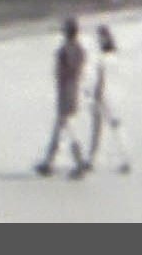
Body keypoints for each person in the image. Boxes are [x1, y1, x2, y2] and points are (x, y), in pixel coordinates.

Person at [34, 16, 88, 176]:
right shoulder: (80, 49)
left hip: (65, 91)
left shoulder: (64, 50)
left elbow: (61, 72)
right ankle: (48, 161)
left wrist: (61, 75)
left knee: (68, 127)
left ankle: (78, 161)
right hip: (73, 89)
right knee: (58, 128)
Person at [76, 24, 131, 177]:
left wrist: (95, 96)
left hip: (104, 96)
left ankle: (92, 160)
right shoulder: (114, 57)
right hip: (115, 94)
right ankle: (125, 158)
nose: (98, 41)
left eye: (100, 38)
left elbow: (101, 80)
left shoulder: (102, 59)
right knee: (115, 125)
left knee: (98, 128)